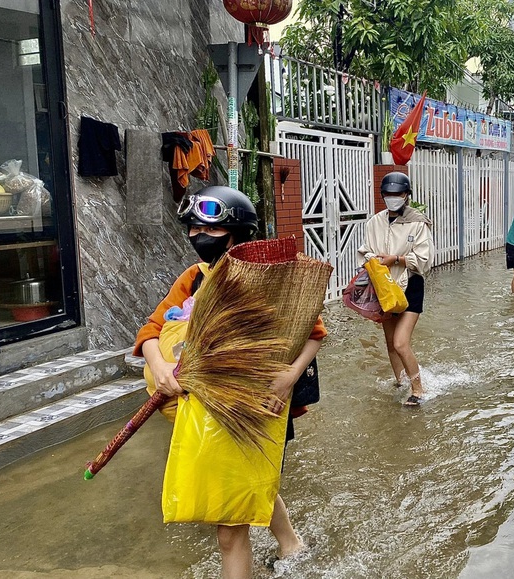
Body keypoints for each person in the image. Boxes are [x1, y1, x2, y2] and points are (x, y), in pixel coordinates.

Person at [133, 186, 327, 579]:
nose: (198, 237)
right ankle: (291, 543)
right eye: (193, 229)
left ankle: (280, 548)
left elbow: (315, 331)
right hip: (209, 407)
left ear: (240, 233)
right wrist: (161, 367)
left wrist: (289, 376)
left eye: (210, 230)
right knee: (253, 484)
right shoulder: (193, 278)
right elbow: (151, 330)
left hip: (259, 406)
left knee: (228, 528)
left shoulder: (272, 278)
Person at [357, 172, 434, 406]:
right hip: (383, 286)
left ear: (406, 196)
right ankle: (401, 382)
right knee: (390, 343)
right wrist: (375, 260)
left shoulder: (418, 223)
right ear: (383, 196)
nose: (393, 198)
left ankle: (418, 389)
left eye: (398, 194)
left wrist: (397, 259)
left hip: (410, 285)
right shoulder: (374, 222)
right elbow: (364, 252)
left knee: (401, 342)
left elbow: (424, 259)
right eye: (389, 194)